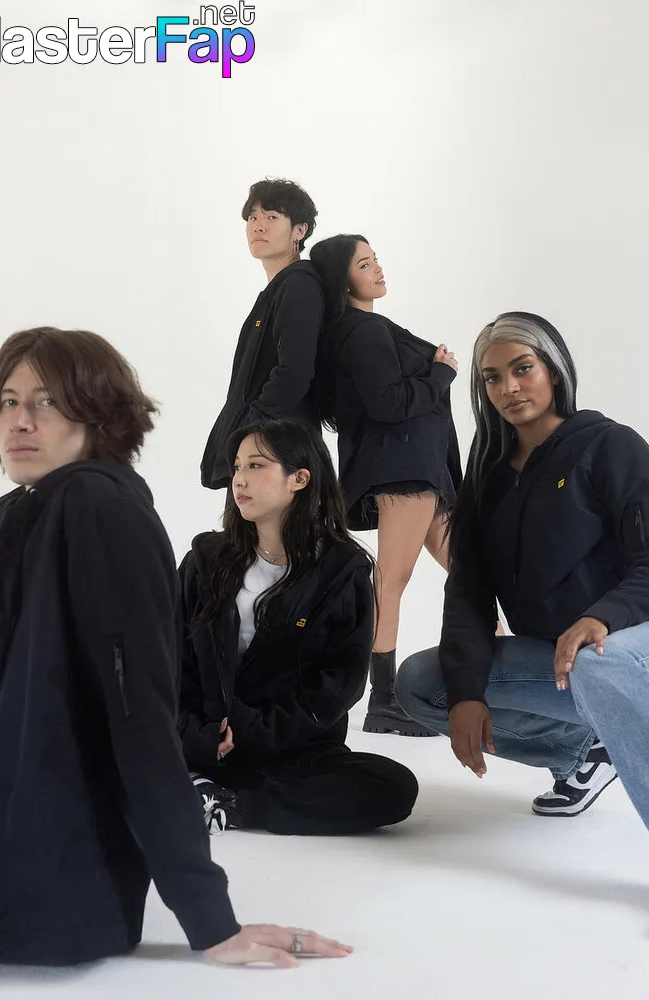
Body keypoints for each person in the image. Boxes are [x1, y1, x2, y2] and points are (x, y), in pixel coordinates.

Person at [0, 326, 353, 967]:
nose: (19, 421)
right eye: (8, 401)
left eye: (47, 401)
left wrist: (209, 919)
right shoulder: (12, 517)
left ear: (98, 415)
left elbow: (140, 720)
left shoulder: (100, 506)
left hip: (46, 874)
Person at [395, 311, 649, 934]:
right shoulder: (488, 477)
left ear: (555, 369)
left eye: (523, 368)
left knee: (602, 662)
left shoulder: (611, 446)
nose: (509, 387)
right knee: (423, 683)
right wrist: (467, 691)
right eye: (492, 378)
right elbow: (469, 590)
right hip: (566, 663)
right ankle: (584, 751)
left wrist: (602, 617)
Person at [180, 417, 419, 834]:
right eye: (237, 467)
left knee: (393, 787)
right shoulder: (206, 559)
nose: (239, 479)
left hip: (289, 748)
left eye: (256, 465)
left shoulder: (342, 571)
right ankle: (198, 781)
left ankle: (231, 804)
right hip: (204, 739)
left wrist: (253, 730)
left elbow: (339, 684)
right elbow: (168, 659)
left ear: (300, 479)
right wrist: (197, 735)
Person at [309, 234, 462, 737]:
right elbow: (388, 404)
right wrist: (440, 374)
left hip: (420, 470)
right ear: (342, 279)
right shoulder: (364, 331)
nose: (377, 269)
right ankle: (385, 699)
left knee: (470, 571)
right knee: (391, 581)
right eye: (364, 264)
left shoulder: (367, 328)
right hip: (404, 470)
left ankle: (495, 676)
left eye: (375, 259)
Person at [201, 178, 324, 491]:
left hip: (277, 456)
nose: (258, 226)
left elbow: (294, 373)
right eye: (252, 217)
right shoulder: (279, 289)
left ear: (299, 231)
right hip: (264, 453)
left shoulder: (299, 285)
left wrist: (249, 429)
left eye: (272, 217)